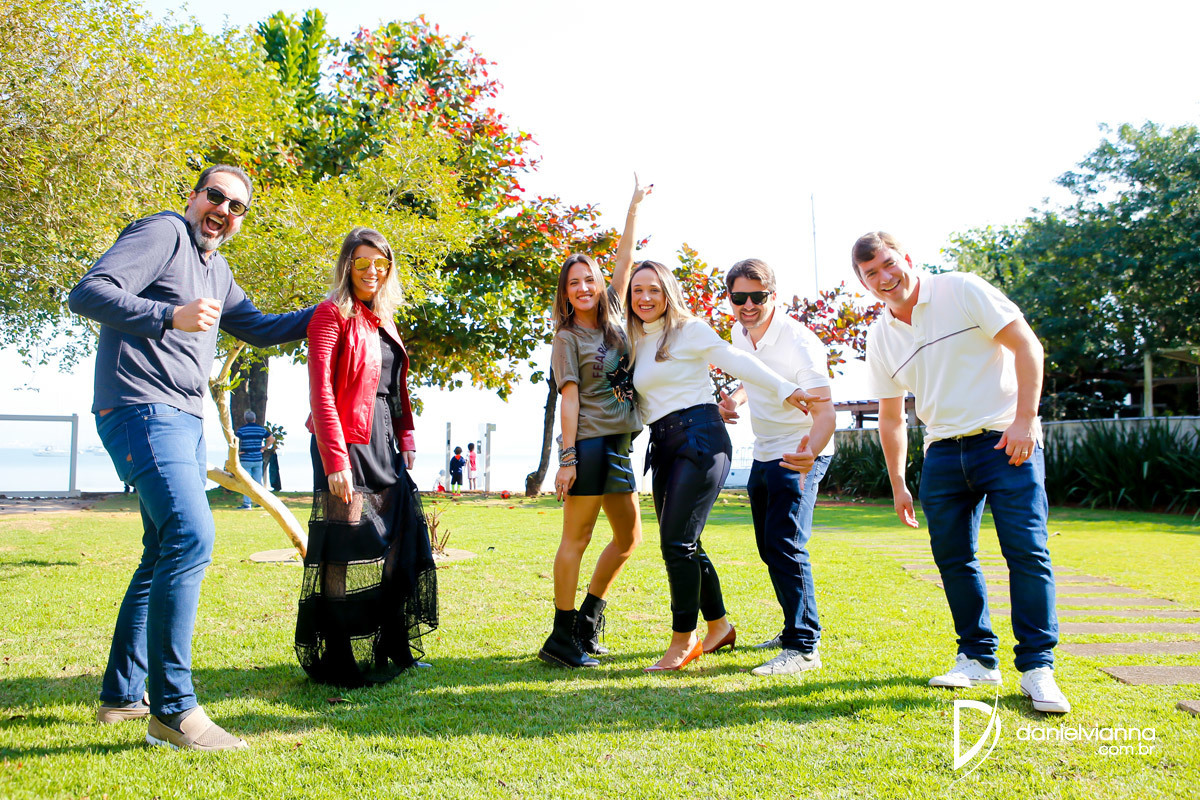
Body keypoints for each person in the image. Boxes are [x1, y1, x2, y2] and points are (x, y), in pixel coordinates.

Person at [68, 164, 315, 750]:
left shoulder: (218, 270)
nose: (223, 211)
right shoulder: (164, 233)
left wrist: (332, 310)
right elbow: (89, 292)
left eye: (237, 207)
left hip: (183, 417)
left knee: (161, 551)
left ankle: (123, 697)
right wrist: (165, 316)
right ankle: (174, 710)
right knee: (190, 535)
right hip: (140, 407)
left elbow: (259, 327)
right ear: (194, 196)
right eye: (216, 197)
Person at [852, 231, 1068, 714]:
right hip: (943, 454)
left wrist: (1024, 421)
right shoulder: (880, 335)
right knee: (953, 559)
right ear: (863, 283)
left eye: (889, 263)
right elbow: (891, 417)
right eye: (872, 273)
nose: (885, 277)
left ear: (906, 258)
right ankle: (976, 657)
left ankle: (1037, 667)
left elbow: (1027, 346)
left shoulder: (962, 289)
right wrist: (898, 482)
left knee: (1026, 552)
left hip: (1005, 441)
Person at [626, 260, 827, 671]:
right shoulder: (636, 338)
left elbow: (736, 360)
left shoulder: (689, 329)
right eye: (637, 290)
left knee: (680, 545)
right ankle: (719, 627)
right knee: (685, 541)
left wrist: (786, 388)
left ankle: (686, 640)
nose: (645, 297)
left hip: (700, 439)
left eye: (654, 289)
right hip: (665, 442)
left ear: (669, 293)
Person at [298, 226, 439, 688]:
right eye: (362, 262)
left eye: (381, 263)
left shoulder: (384, 319)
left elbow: (395, 388)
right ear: (347, 266)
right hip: (345, 441)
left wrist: (407, 436)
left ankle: (393, 645)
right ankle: (340, 655)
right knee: (342, 548)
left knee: (400, 540)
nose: (372, 271)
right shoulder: (329, 314)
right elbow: (320, 391)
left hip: (383, 440)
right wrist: (335, 459)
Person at [537, 175, 648, 669]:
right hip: (590, 445)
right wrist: (567, 459)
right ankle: (561, 638)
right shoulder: (567, 338)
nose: (583, 288)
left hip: (620, 445)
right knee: (576, 539)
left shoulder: (615, 317)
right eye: (573, 283)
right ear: (565, 294)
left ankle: (586, 621)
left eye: (589, 280)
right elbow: (569, 398)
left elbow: (625, 259)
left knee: (629, 539)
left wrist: (633, 207)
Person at [717, 259, 836, 676]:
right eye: (739, 297)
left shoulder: (800, 343)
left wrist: (810, 452)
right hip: (764, 450)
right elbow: (754, 379)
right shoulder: (740, 333)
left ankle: (804, 647)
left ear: (773, 296)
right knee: (769, 547)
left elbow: (826, 412)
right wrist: (735, 400)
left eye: (757, 296)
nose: (748, 305)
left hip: (801, 451)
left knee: (786, 543)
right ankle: (792, 630)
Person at [234, 410, 273, 509]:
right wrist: (264, 448)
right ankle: (261, 502)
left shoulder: (242, 430)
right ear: (254, 419)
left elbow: (235, 441)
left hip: (246, 459)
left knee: (246, 481)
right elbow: (271, 439)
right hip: (257, 458)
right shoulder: (260, 429)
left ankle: (247, 503)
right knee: (258, 481)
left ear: (245, 419)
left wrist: (238, 452)